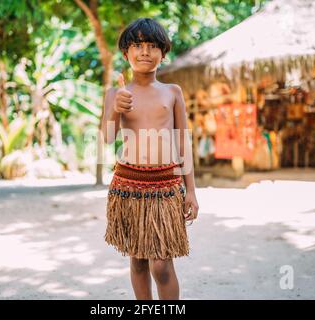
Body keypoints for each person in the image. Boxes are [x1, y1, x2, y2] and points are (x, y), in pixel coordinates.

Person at [101, 17, 199, 300]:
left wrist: (191, 190)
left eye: (152, 46)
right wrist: (115, 109)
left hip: (166, 186)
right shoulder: (116, 93)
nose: (145, 51)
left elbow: (183, 142)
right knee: (138, 260)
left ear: (163, 53)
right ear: (125, 53)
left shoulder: (172, 92)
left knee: (162, 265)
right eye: (137, 45)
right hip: (128, 186)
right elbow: (106, 138)